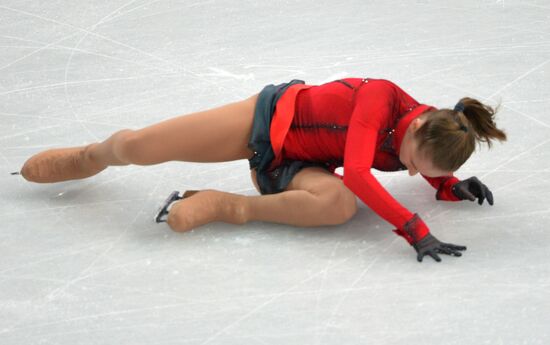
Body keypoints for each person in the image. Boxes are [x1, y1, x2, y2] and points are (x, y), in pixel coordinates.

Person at [15, 77, 507, 263]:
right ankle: (92, 155)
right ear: (418, 128)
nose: (415, 176)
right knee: (139, 145)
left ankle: (226, 205)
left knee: (337, 206)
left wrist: (447, 183)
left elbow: (357, 181)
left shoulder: (429, 132)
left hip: (294, 167)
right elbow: (358, 172)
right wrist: (414, 228)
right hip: (264, 121)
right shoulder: (380, 98)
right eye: (419, 167)